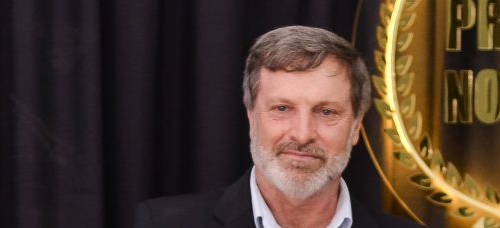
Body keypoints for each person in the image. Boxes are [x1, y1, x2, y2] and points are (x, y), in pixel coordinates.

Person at [132, 25, 420, 227]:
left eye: (326, 112)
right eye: (282, 109)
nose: (302, 135)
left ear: (356, 127)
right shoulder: (162, 224)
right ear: (251, 118)